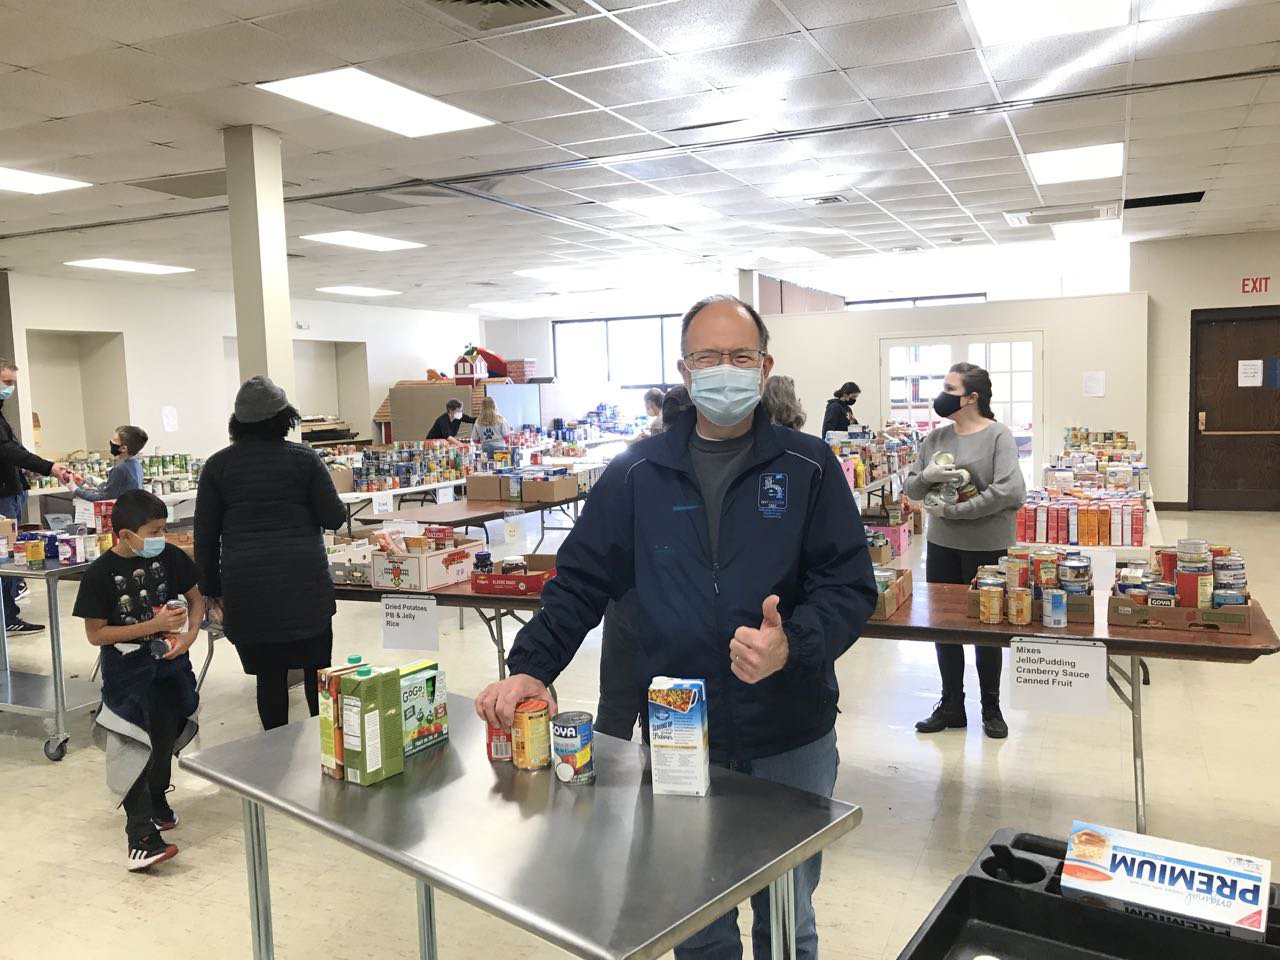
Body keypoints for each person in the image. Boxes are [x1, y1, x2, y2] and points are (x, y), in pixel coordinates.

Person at [476, 294, 878, 960]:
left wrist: (793, 644)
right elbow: (580, 581)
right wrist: (532, 665)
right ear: (685, 370)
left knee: (786, 918)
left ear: (764, 365)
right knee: (692, 915)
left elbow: (849, 586)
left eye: (740, 356)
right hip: (676, 733)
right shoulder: (636, 474)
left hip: (789, 734)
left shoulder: (809, 467)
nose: (724, 369)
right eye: (708, 356)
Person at [194, 376, 347, 730]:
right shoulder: (304, 459)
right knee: (317, 670)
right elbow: (335, 518)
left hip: (247, 587)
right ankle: (325, 747)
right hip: (304, 583)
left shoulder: (217, 466)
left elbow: (205, 536)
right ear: (285, 418)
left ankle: (273, 759)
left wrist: (210, 589)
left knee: (269, 676)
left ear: (237, 423)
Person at [72, 489, 204, 872]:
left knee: (165, 736)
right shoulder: (99, 575)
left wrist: (190, 634)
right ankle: (141, 837)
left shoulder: (170, 557)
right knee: (133, 743)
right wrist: (153, 626)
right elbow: (96, 635)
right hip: (127, 671)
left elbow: (196, 598)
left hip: (169, 663)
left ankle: (158, 800)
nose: (161, 536)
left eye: (164, 528)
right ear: (126, 534)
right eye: (154, 530)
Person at [905, 362, 1026, 740]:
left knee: (986, 628)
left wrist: (956, 511)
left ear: (972, 397)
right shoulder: (935, 439)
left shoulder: (998, 437)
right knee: (944, 625)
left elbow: (1010, 492)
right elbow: (911, 488)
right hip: (942, 545)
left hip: (987, 547)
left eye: (949, 388)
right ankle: (951, 705)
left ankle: (991, 706)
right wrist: (928, 478)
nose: (941, 395)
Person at [595, 386, 693, 740]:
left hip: (629, 605)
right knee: (666, 719)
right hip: (661, 609)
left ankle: (607, 790)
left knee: (618, 710)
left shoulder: (631, 461)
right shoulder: (691, 467)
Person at [0, 358, 74, 634]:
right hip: (3, 498)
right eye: (7, 382)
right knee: (5, 557)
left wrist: (29, 473)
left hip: (11, 491)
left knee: (8, 555)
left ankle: (7, 614)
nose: (10, 389)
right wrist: (48, 466)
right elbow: (7, 451)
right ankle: (6, 616)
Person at [73, 424, 147, 502]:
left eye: (114, 440)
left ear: (123, 448)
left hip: (123, 512)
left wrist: (75, 489)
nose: (111, 442)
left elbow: (104, 499)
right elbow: (117, 488)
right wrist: (98, 482)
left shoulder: (120, 469)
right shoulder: (135, 463)